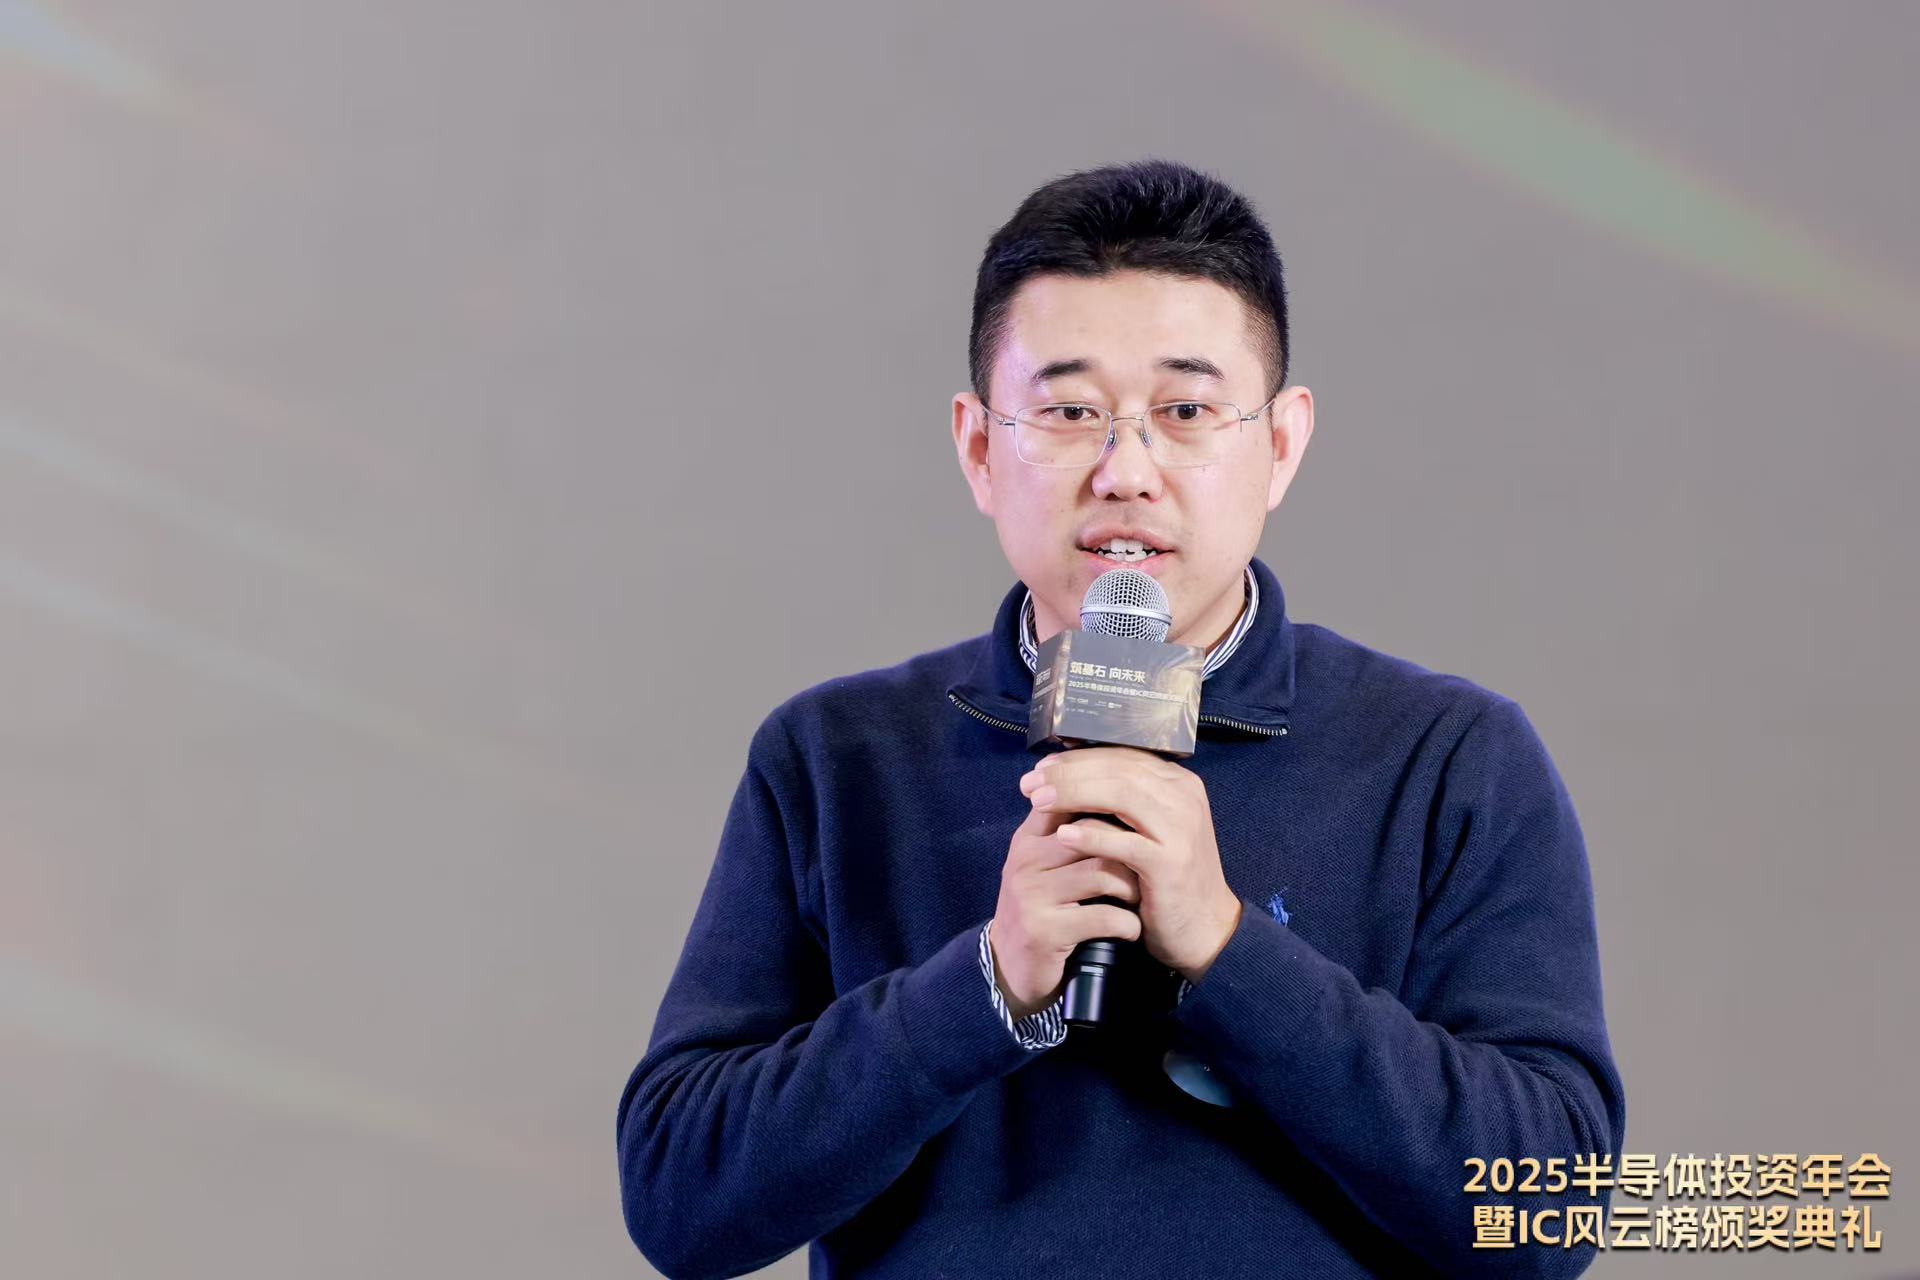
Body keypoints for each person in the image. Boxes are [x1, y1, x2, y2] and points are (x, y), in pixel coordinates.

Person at [617, 158, 1626, 1279]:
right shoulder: (836, 759)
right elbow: (681, 1201)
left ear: (1280, 444)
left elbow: (1550, 1209)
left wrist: (1231, 953)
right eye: (1069, 412)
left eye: (1185, 411)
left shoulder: (1449, 758)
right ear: (978, 447)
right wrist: (984, 985)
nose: (1126, 470)